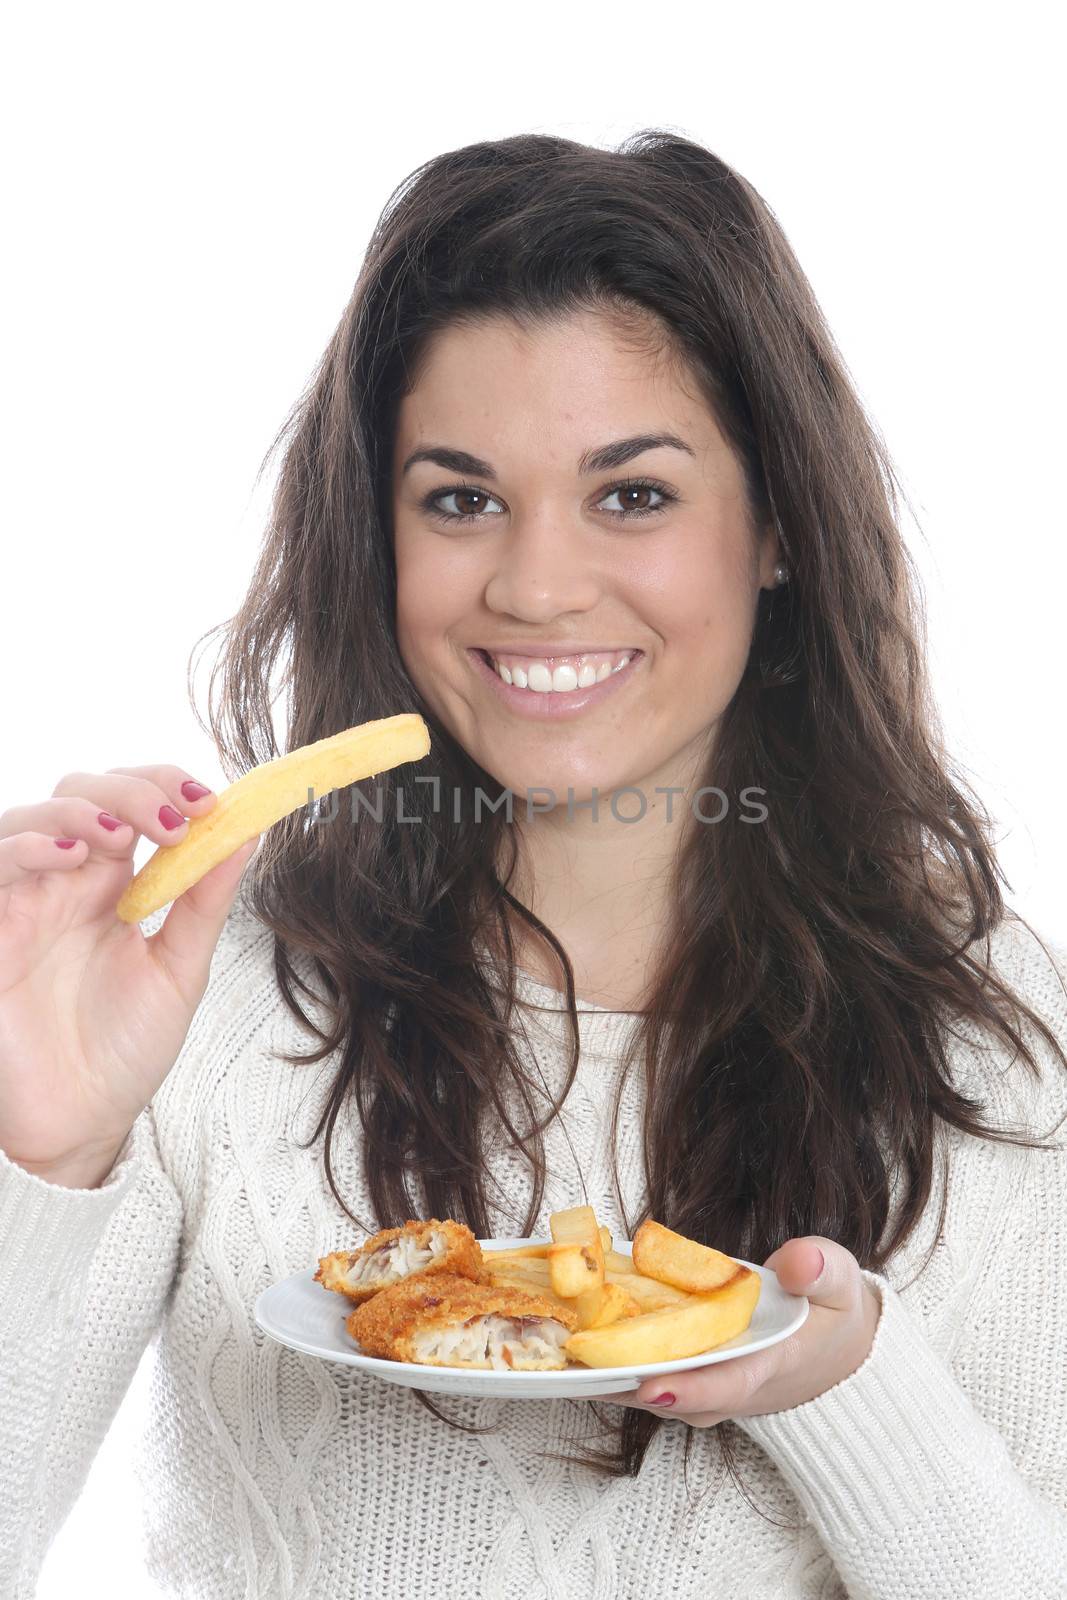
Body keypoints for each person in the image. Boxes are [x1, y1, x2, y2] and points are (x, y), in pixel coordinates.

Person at [1, 129, 1065, 1600]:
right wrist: (42, 1159)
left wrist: (846, 1383)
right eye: (460, 498)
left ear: (774, 533)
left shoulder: (980, 1024)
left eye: (633, 494)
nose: (537, 586)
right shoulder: (203, 998)